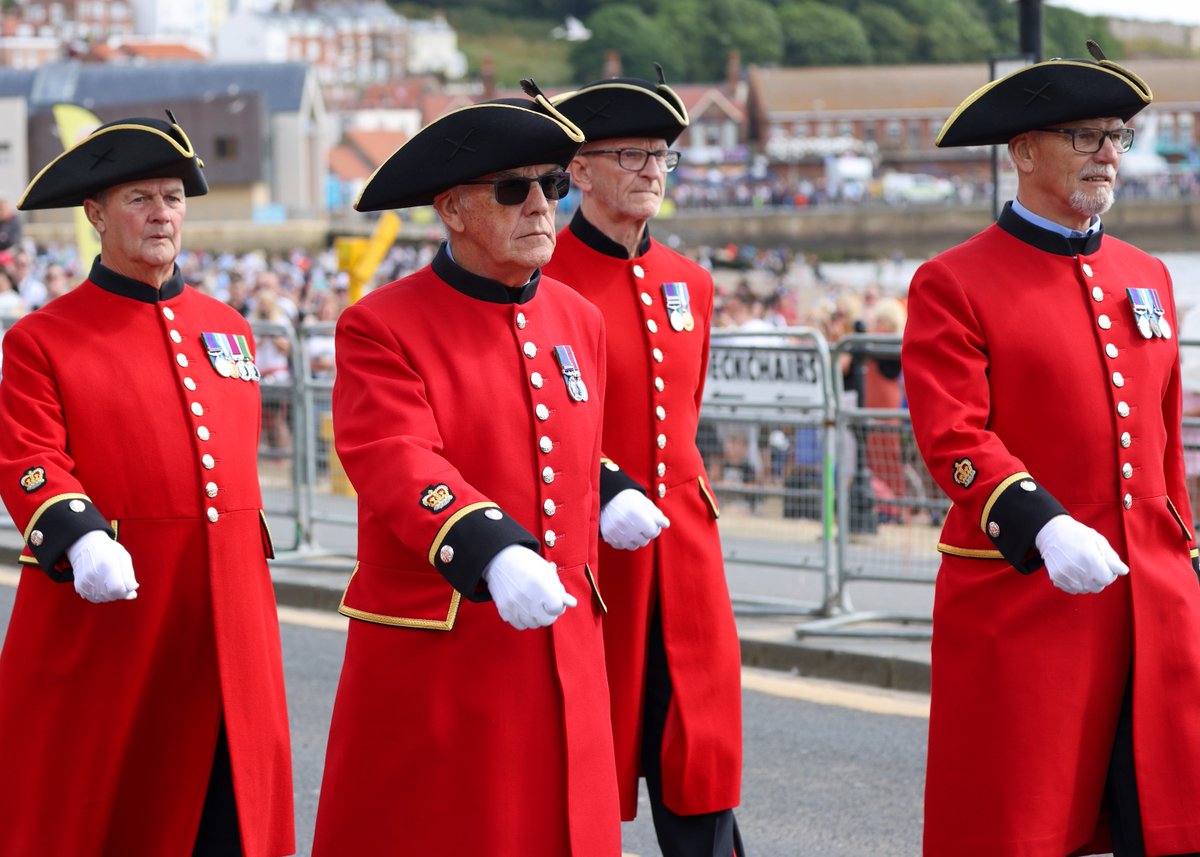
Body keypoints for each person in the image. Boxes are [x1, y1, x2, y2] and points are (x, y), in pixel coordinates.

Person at [311, 82, 667, 857]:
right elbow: (396, 457)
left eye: (551, 184)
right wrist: (491, 546)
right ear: (453, 208)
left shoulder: (578, 317)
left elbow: (562, 437)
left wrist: (605, 487)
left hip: (561, 632)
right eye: (513, 190)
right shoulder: (381, 324)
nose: (541, 206)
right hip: (448, 640)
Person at [902, 43, 1200, 857]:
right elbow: (953, 435)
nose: (1108, 153)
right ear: (1023, 150)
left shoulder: (1148, 274)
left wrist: (1185, 553)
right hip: (1029, 597)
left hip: (1151, 600)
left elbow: (1165, 433)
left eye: (1117, 136)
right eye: (1085, 135)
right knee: (1020, 827)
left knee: (1163, 820)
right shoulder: (953, 280)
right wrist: (1040, 523)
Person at [0, 113, 295, 857]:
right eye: (141, 198)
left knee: (231, 817)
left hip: (231, 619)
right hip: (120, 613)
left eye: (172, 197)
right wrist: (78, 532)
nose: (162, 213)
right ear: (96, 214)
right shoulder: (43, 338)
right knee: (116, 808)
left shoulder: (228, 325)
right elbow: (27, 459)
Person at [544, 66, 745, 857]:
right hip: (592, 551)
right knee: (587, 751)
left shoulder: (690, 281)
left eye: (662, 155)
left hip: (686, 551)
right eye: (630, 155)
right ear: (581, 170)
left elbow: (684, 414)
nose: (651, 171)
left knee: (701, 745)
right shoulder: (544, 277)